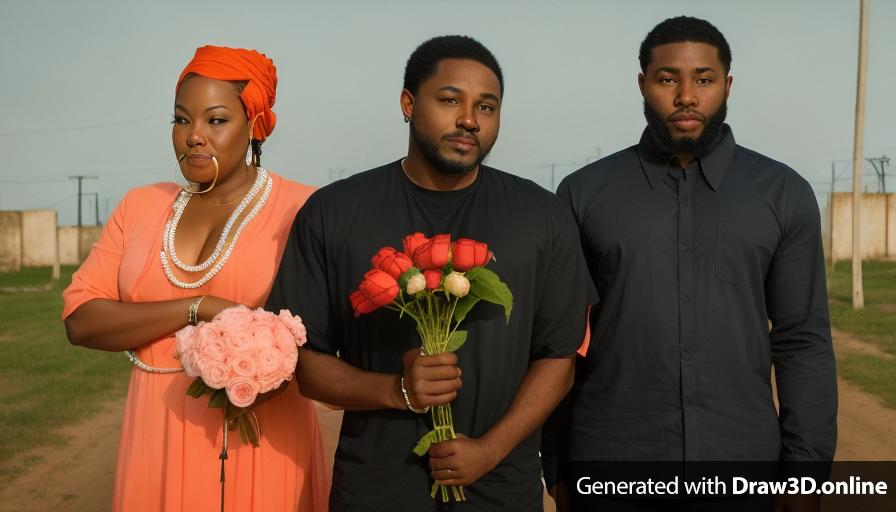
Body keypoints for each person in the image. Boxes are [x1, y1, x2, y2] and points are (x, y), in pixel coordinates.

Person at [266, 35, 594, 511]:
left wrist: (490, 450)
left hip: (501, 488)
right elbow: (305, 362)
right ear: (407, 102)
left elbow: (559, 359)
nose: (468, 119)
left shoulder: (541, 217)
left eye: (486, 106)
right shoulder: (335, 212)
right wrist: (395, 390)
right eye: (449, 100)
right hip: (376, 487)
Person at [550, 16, 837, 511]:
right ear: (642, 83)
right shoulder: (582, 194)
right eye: (668, 79)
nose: (686, 95)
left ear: (726, 85)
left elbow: (801, 341)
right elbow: (559, 341)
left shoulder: (783, 194)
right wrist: (556, 465)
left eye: (703, 79)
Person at [62, 45, 329, 512]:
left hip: (262, 438)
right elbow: (81, 321)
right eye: (182, 120)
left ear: (254, 125)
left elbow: (326, 338)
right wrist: (198, 307)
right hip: (156, 433)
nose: (194, 137)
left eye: (216, 120)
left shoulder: (302, 210)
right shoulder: (140, 207)